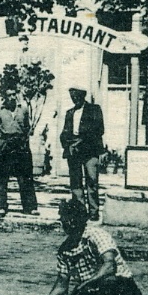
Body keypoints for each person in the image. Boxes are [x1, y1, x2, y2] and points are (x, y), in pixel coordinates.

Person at [37, 198, 142, 295]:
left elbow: (110, 267)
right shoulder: (65, 249)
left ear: (79, 219)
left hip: (124, 291)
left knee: (109, 283)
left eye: (69, 219)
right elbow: (62, 284)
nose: (66, 223)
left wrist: (86, 284)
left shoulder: (96, 235)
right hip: (91, 293)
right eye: (64, 220)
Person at [0, 87, 37, 219]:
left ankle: (30, 207)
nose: (11, 98)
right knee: (2, 178)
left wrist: (25, 143)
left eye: (13, 95)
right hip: (5, 144)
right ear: (4, 97)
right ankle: (0, 206)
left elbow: (27, 128)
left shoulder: (23, 110)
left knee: (25, 177)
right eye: (8, 95)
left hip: (20, 145)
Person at [58, 87, 105, 216]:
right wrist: (68, 146)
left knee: (92, 180)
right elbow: (64, 133)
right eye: (72, 97)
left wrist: (81, 141)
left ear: (82, 96)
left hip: (90, 150)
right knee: (75, 182)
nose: (75, 100)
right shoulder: (70, 112)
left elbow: (99, 130)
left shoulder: (94, 109)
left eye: (77, 97)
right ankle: (79, 211)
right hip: (73, 152)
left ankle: (93, 212)